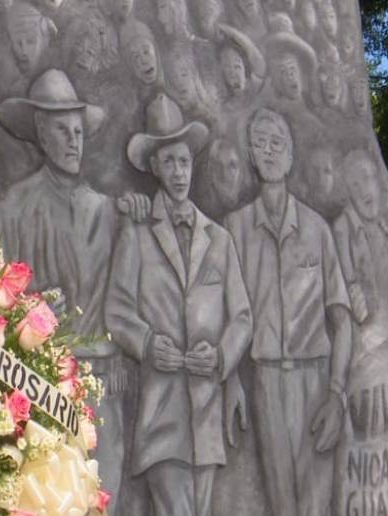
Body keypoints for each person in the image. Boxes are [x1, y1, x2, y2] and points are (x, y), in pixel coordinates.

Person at [0, 69, 145, 513]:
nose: (74, 141)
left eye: (78, 132)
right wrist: (29, 308)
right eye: (62, 131)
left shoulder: (108, 211)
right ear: (41, 133)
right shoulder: (14, 207)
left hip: (104, 380)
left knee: (106, 495)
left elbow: (130, 296)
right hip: (40, 383)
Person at [106, 94, 252, 516]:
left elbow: (242, 317)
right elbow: (117, 309)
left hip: (206, 413)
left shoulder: (219, 240)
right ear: (154, 167)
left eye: (184, 162)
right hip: (161, 414)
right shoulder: (137, 234)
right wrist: (148, 344)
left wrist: (222, 356)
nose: (178, 172)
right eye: (169, 162)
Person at [224, 108, 353, 516]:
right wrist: (230, 379)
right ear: (250, 154)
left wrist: (337, 394)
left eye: (277, 143)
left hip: (315, 379)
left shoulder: (317, 230)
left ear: (291, 154)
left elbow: (342, 321)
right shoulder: (235, 229)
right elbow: (225, 314)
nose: (269, 151)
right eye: (260, 143)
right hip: (266, 383)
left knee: (316, 504)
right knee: (280, 503)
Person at [332, 149, 388, 329]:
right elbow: (349, 283)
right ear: (348, 193)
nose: (363, 190)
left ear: (378, 182)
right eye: (355, 185)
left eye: (367, 178)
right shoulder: (343, 227)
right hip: (368, 328)